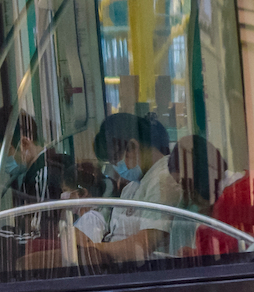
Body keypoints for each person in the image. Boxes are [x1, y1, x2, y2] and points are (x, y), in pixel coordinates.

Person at [77, 111, 180, 263]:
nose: (115, 168)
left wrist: (95, 249)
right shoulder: (131, 187)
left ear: (132, 146)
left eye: (115, 159)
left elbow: (143, 246)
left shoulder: (164, 179)